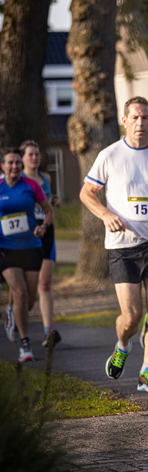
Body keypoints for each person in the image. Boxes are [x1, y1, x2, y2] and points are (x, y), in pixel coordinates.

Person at [80, 97, 148, 392]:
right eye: (135, 118)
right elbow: (87, 193)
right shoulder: (110, 155)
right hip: (123, 245)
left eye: (146, 118)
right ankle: (123, 344)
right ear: (125, 120)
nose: (141, 123)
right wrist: (105, 214)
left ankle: (147, 370)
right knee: (132, 316)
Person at [1, 148, 54, 362]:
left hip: (31, 246)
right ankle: (25, 344)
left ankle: (13, 314)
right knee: (20, 293)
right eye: (10, 163)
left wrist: (44, 227)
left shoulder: (31, 185)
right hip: (6, 249)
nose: (15, 166)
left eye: (17, 163)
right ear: (2, 166)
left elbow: (48, 211)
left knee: (30, 299)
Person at [20, 139, 62, 348]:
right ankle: (17, 322)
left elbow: (45, 197)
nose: (35, 158)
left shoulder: (45, 177)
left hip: (46, 231)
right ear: (22, 158)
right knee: (25, 292)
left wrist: (54, 200)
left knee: (44, 284)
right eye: (30, 154)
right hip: (25, 233)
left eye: (37, 154)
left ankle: (48, 331)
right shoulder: (17, 179)